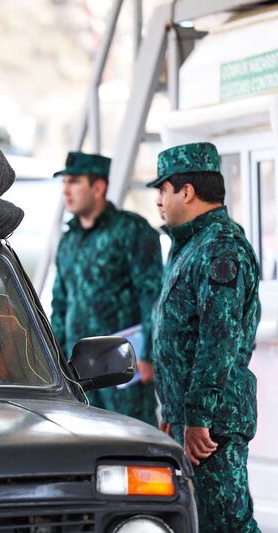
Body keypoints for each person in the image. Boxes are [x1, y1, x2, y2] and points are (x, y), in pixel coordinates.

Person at [148, 142, 260, 531]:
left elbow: (219, 339)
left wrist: (196, 418)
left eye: (162, 190)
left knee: (228, 524)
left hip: (213, 425)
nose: (159, 200)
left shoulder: (220, 248)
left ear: (187, 191)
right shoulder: (189, 246)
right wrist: (175, 414)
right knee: (204, 523)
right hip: (194, 419)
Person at [51, 151, 162, 425]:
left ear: (98, 187)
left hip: (123, 369)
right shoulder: (69, 241)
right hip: (78, 372)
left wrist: (149, 354)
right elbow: (60, 305)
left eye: (74, 182)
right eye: (64, 182)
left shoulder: (131, 230)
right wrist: (53, 359)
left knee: (132, 439)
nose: (66, 190)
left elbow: (152, 296)